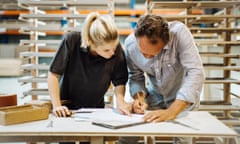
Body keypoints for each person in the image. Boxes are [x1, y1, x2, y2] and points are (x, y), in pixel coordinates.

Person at [119, 14, 205, 144]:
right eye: (143, 53)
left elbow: (196, 72)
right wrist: (139, 98)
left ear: (165, 42)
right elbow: (136, 76)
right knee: (128, 134)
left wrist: (172, 111)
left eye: (151, 54)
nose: (146, 57)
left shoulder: (179, 34)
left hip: (181, 100)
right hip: (155, 96)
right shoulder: (130, 44)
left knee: (183, 140)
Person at [47, 12, 131, 144]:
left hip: (95, 109)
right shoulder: (72, 40)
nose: (113, 53)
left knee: (94, 140)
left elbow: (119, 81)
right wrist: (56, 106)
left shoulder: (115, 49)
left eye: (114, 48)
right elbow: (53, 74)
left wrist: (120, 101)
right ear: (91, 42)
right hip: (67, 109)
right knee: (66, 140)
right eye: (106, 50)